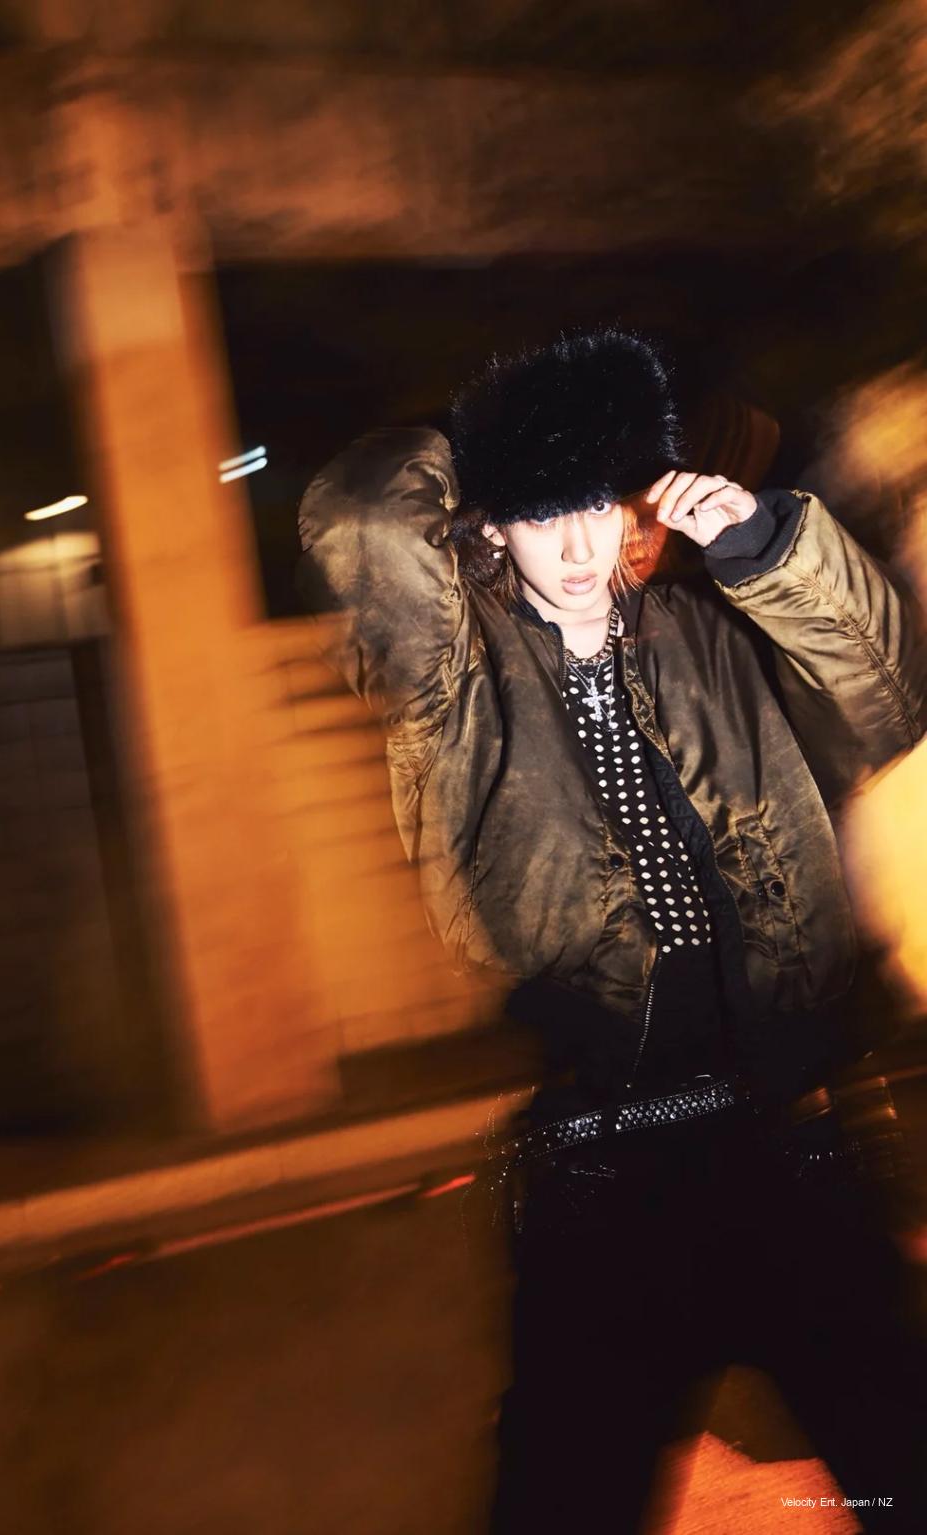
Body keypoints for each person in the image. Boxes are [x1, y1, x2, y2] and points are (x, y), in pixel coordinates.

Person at [297, 328, 927, 1532]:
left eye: (594, 501)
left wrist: (765, 545)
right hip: (603, 1179)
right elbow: (368, 515)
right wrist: (512, 437)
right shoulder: (457, 681)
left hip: (797, 1146)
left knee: (902, 1470)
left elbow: (889, 695)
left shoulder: (723, 631)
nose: (581, 546)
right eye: (542, 515)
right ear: (491, 530)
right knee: (564, 1499)